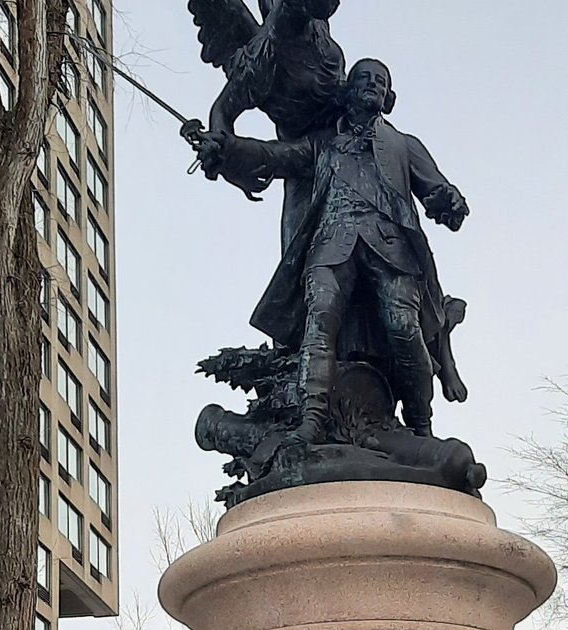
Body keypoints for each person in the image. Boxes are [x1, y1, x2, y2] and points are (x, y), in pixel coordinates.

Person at [195, 58, 470, 444]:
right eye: (364, 78)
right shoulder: (322, 143)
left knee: (404, 328)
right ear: (348, 90)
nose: (372, 84)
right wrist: (226, 146)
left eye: (380, 81)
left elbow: (437, 190)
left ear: (388, 97)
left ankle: (421, 424)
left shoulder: (404, 146)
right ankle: (312, 418)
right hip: (331, 245)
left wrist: (449, 202)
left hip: (391, 250)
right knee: (319, 320)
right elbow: (275, 156)